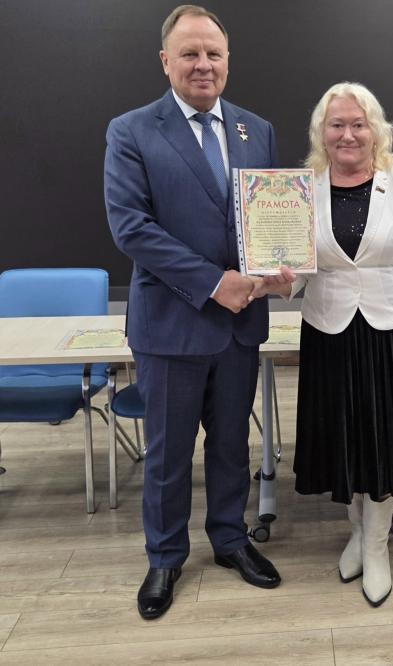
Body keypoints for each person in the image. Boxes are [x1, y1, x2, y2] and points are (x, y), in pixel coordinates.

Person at [104, 4, 281, 621]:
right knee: (168, 453)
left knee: (232, 445)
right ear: (166, 61)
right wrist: (212, 284)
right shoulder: (131, 131)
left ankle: (230, 539)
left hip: (239, 328)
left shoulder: (256, 130)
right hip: (172, 325)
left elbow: (267, 218)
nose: (203, 64)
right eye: (190, 53)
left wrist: (280, 265)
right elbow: (132, 228)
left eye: (213, 54)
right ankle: (165, 556)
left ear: (228, 62)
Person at [255, 82, 393, 607]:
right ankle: (357, 532)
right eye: (336, 125)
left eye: (358, 124)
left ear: (376, 129)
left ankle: (377, 546)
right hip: (329, 330)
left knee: (383, 441)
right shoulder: (303, 187)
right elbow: (300, 271)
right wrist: (275, 280)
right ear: (322, 133)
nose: (348, 134)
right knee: (344, 436)